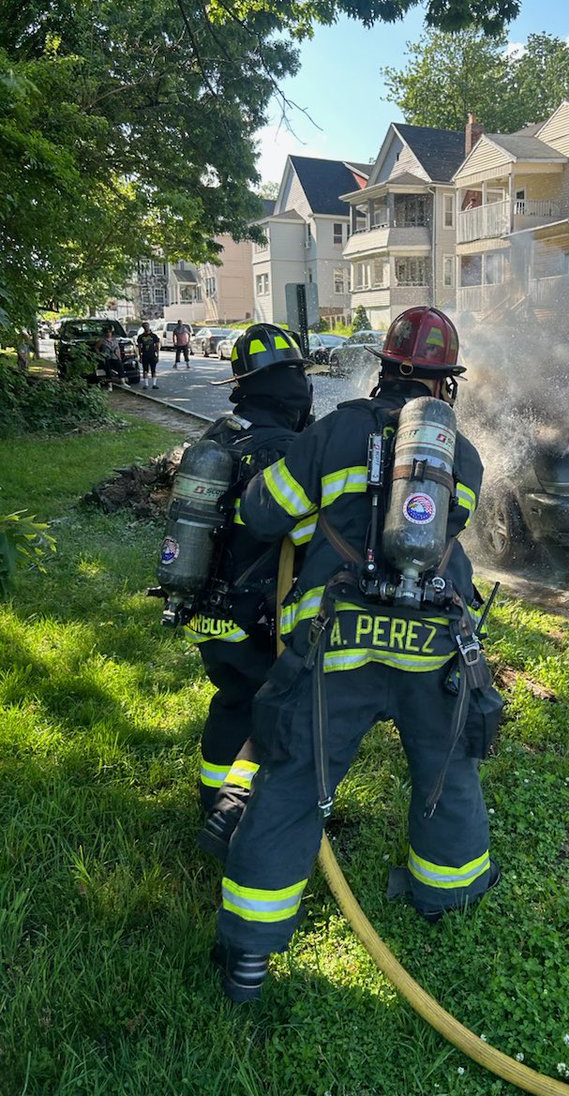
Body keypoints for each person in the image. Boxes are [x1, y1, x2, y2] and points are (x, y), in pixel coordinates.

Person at [212, 306, 499, 1004]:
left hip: (334, 648)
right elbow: (446, 529)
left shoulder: (336, 429)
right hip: (435, 645)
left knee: (291, 783)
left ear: (383, 369)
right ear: (444, 386)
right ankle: (445, 897)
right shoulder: (459, 453)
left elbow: (262, 514)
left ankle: (249, 955)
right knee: (446, 771)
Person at [184, 324, 313, 827]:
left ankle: (212, 796)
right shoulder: (286, 452)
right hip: (257, 617)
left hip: (205, 611)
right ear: (289, 388)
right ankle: (243, 813)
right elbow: (305, 540)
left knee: (232, 699)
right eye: (299, 379)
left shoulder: (219, 435)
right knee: (275, 711)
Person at [136, 322, 160, 388]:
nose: (146, 327)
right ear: (143, 327)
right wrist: (140, 356)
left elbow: (157, 345)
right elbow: (139, 347)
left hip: (152, 354)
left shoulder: (154, 336)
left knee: (153, 370)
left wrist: (157, 355)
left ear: (149, 326)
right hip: (145, 355)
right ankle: (146, 384)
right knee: (145, 370)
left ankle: (154, 384)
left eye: (147, 326)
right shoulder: (141, 337)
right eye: (144, 326)